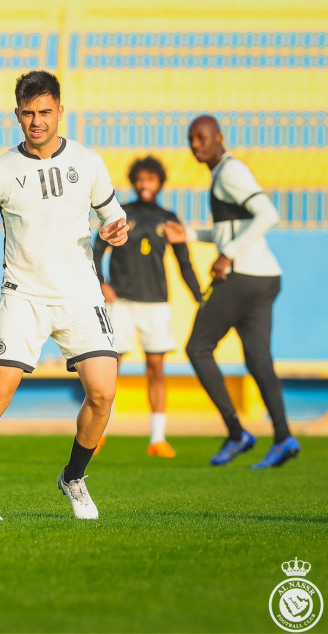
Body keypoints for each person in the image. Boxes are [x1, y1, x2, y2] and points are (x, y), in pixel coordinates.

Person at [0, 70, 128, 522]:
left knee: (103, 393)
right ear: (17, 114)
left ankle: (73, 477)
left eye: (45, 112)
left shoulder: (88, 162)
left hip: (80, 297)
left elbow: (114, 215)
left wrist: (117, 228)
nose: (37, 121)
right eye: (28, 113)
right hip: (23, 295)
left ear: (60, 112)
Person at [163, 115, 299, 469]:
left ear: (219, 137)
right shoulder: (223, 173)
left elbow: (268, 214)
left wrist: (228, 254)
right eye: (191, 138)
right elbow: (231, 229)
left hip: (241, 277)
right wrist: (191, 236)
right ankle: (283, 437)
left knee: (197, 347)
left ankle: (237, 432)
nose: (196, 144)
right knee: (258, 360)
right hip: (265, 278)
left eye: (203, 137)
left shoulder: (231, 172)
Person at [92, 156, 202, 458]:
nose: (145, 185)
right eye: (140, 180)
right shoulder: (121, 213)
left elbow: (184, 263)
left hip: (156, 304)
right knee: (111, 368)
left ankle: (157, 439)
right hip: (123, 302)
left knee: (156, 368)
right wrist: (101, 282)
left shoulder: (168, 217)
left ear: (159, 182)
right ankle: (97, 433)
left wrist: (199, 296)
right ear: (134, 181)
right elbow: (96, 250)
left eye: (150, 180)